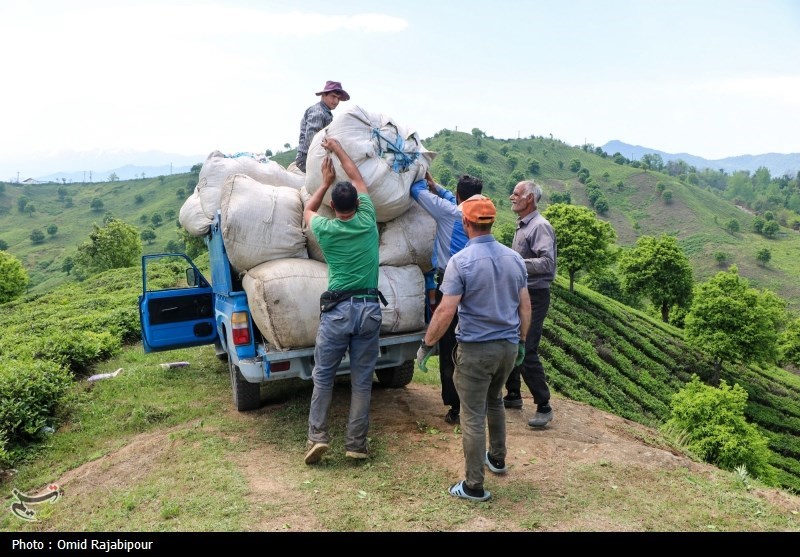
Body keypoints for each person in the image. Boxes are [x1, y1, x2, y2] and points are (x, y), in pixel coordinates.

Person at [417, 195, 531, 502]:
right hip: (507, 348)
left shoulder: (460, 262)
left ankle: (474, 485)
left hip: (477, 350)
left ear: (466, 222)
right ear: (491, 222)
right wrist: (520, 342)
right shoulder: (514, 259)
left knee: (471, 414)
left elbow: (445, 312)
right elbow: (525, 307)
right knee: (494, 400)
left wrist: (427, 345)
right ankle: (498, 458)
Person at [302, 137, 381, 465]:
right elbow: (358, 177)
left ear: (333, 207)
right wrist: (338, 150)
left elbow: (307, 207)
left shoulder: (325, 228)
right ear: (359, 204)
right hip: (369, 309)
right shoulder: (368, 220)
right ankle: (356, 445)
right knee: (362, 381)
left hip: (337, 312)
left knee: (323, 376)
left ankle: (317, 437)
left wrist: (325, 183)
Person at [410, 172, 484, 425]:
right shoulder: (478, 214)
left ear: (460, 194)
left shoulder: (448, 212)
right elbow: (453, 197)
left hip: (452, 284)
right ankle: (478, 399)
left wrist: (420, 174)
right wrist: (438, 186)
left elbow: (416, 192)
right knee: (474, 342)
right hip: (478, 285)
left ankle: (455, 407)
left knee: (450, 345)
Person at [502, 180, 558, 429]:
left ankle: (544, 405)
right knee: (512, 341)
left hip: (535, 295)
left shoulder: (540, 227)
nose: (512, 197)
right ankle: (513, 394)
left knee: (528, 347)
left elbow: (547, 263)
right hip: (521, 292)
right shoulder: (523, 225)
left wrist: (515, 262)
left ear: (530, 199)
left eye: (517, 194)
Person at [294, 81, 350, 172]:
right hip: (306, 159)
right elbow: (313, 142)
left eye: (338, 99)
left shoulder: (326, 113)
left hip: (317, 157)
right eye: (333, 97)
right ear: (323, 95)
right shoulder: (318, 112)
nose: (336, 101)